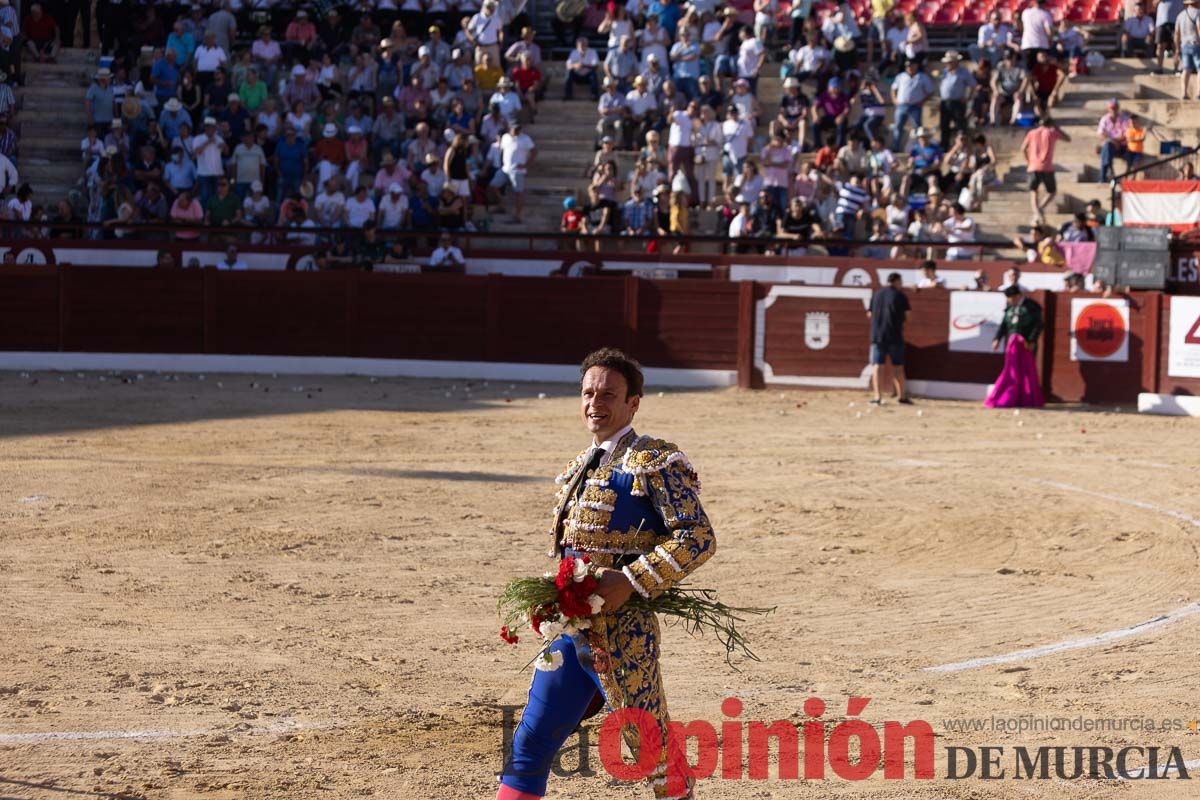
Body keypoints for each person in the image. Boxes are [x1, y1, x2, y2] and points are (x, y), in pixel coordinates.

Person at [497, 347, 715, 800]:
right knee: (530, 741)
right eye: (588, 392)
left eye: (608, 393)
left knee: (652, 755)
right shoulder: (579, 467)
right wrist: (552, 593)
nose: (595, 402)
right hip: (570, 628)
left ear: (634, 402)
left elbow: (697, 536)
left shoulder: (655, 460)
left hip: (624, 634)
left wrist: (632, 580)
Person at [984, 285, 1045, 408]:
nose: (1009, 300)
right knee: (1012, 371)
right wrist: (997, 338)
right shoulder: (1010, 307)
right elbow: (1004, 325)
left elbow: (1038, 324)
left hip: (1026, 344)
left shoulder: (1032, 306)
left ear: (1018, 296)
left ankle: (1027, 399)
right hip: (1012, 345)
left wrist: (1031, 340)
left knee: (1027, 372)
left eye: (1010, 298)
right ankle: (1013, 397)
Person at [867, 272, 911, 405]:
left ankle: (877, 396)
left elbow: (869, 314)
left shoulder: (877, 294)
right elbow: (907, 316)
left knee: (877, 366)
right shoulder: (900, 296)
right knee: (898, 367)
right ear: (897, 281)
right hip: (894, 335)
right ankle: (902, 396)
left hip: (878, 335)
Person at [1022, 116, 1070, 226]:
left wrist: (1028, 161)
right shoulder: (1051, 132)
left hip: (1033, 166)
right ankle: (1040, 209)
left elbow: (1023, 148)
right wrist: (1057, 128)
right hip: (1047, 166)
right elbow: (1068, 139)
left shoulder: (1032, 133)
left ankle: (1036, 211)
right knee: (1052, 191)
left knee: (1034, 191)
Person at [1097, 99, 1131, 183]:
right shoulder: (1104, 119)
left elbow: (1127, 135)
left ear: (1118, 108)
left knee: (1106, 150)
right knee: (1107, 148)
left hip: (1122, 147)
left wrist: (1114, 141)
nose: (1113, 110)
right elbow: (1100, 134)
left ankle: (1105, 175)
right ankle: (1109, 170)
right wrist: (1112, 141)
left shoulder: (1125, 119)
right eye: (1112, 108)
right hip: (1111, 145)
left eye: (1115, 108)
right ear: (1109, 109)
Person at [1177, 0, 1200, 99]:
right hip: (1195, 44)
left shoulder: (1180, 15)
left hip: (1184, 45)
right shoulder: (1198, 13)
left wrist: (1177, 48)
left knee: (1186, 69)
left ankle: (1184, 93)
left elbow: (1176, 34)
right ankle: (1199, 93)